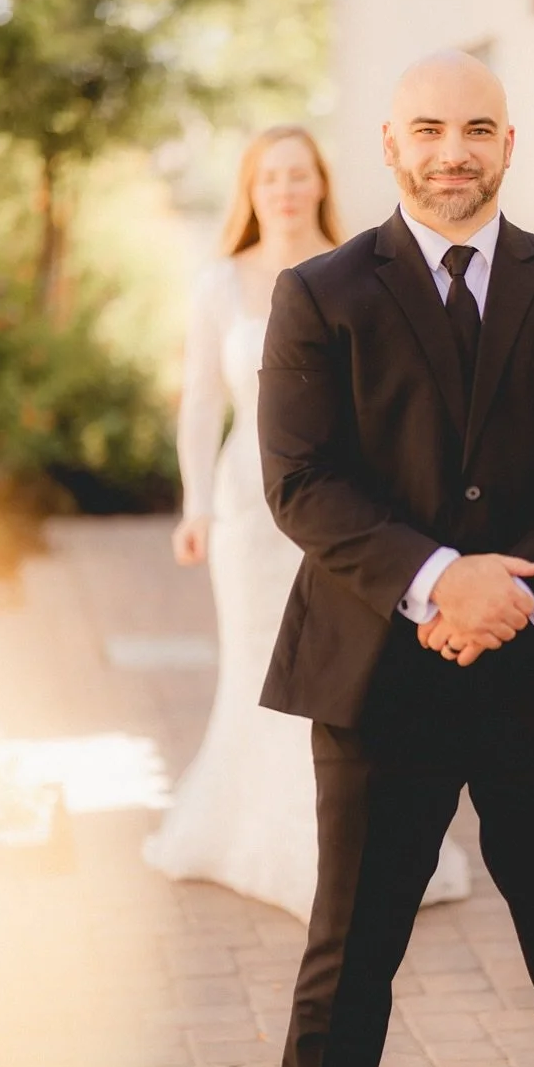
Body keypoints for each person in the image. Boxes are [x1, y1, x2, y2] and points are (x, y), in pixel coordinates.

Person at [256, 53, 534, 1067]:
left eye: (477, 129)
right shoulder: (321, 294)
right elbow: (301, 481)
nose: (453, 152)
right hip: (379, 678)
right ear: (390, 145)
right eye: (429, 129)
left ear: (508, 144)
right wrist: (440, 581)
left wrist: (506, 593)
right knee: (350, 956)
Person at [142, 124, 472, 921]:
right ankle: (259, 836)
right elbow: (200, 405)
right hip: (246, 511)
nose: (285, 190)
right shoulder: (219, 284)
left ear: (321, 182)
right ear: (251, 194)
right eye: (270, 178)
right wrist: (196, 505)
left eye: (298, 174)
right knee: (255, 667)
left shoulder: (359, 268)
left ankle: (356, 840)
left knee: (345, 667)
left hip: (341, 506)